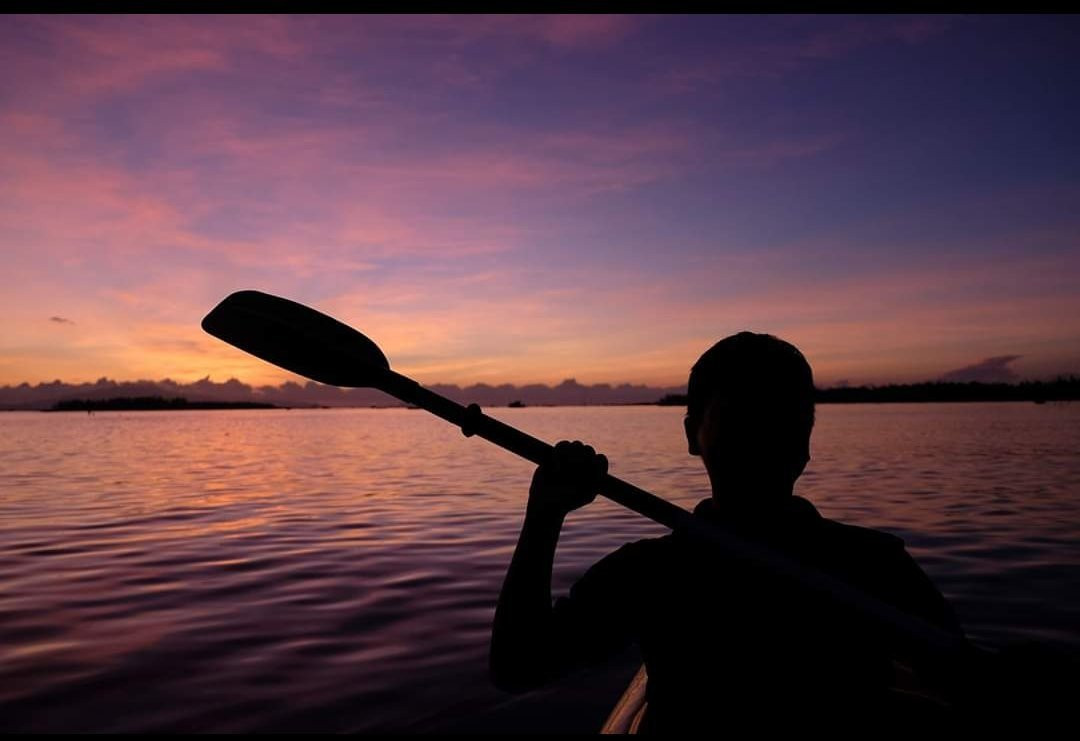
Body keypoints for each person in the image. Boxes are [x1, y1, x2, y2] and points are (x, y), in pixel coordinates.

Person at [489, 332, 967, 731]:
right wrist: (545, 513)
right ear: (692, 434)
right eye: (744, 417)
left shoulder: (652, 572)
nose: (765, 433)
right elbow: (518, 666)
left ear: (805, 440)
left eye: (783, 417)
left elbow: (518, 664)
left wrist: (544, 515)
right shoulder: (873, 561)